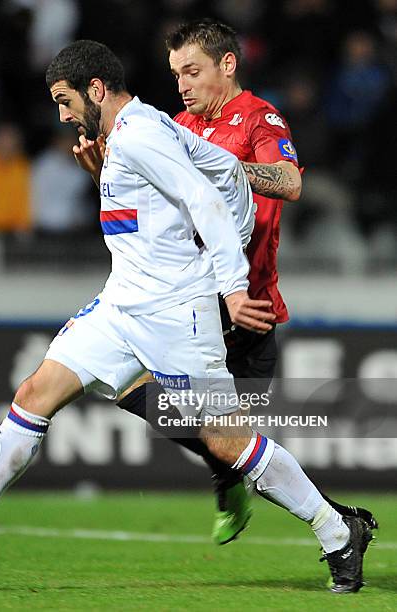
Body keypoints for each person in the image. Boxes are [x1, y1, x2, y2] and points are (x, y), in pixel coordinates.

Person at [0, 40, 373, 594]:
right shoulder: (133, 132)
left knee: (226, 441)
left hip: (177, 311)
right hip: (122, 304)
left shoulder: (141, 133)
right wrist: (109, 174)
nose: (62, 115)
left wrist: (234, 289)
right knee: (33, 394)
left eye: (65, 100)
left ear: (96, 90)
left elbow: (206, 199)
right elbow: (182, 193)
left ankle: (338, 531)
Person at [73, 20, 377, 548]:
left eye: (191, 71)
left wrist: (220, 167)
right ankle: (273, 494)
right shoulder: (173, 124)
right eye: (175, 74)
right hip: (189, 307)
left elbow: (290, 181)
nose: (182, 85)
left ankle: (305, 508)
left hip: (248, 312)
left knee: (241, 444)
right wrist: (103, 176)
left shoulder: (259, 117)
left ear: (227, 64)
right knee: (128, 389)